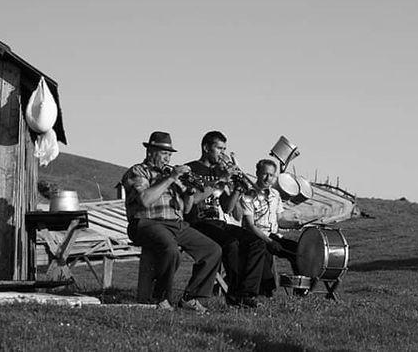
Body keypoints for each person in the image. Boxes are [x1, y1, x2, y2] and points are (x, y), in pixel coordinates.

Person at [122, 131, 222, 314]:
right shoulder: (138, 171)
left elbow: (185, 208)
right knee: (170, 249)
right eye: (164, 153)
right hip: (145, 222)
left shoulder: (171, 174)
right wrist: (170, 178)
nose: (167, 158)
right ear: (150, 151)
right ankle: (161, 298)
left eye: (169, 154)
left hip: (176, 223)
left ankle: (192, 298)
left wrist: (189, 192)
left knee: (212, 250)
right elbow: (145, 200)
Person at [184, 131, 266, 308]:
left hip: (218, 222)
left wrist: (237, 187)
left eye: (224, 149)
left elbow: (227, 208)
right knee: (230, 244)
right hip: (196, 222)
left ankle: (247, 293)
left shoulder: (219, 171)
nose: (222, 154)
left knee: (256, 242)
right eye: (219, 148)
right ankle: (235, 296)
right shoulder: (190, 169)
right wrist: (220, 180)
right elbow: (194, 199)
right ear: (206, 148)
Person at [241, 158, 299, 296]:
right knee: (264, 253)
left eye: (272, 175)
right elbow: (249, 225)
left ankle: (300, 290)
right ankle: (264, 291)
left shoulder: (275, 194)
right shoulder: (248, 195)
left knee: (298, 251)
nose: (268, 178)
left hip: (273, 235)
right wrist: (270, 242)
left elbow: (280, 220)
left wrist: (294, 224)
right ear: (257, 173)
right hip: (257, 237)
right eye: (265, 174)